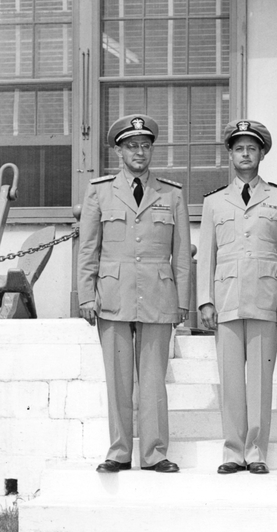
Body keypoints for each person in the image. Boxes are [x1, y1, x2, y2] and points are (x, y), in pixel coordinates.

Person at [77, 114, 191, 474]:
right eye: (131, 146)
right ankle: (119, 451)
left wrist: (183, 300)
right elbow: (88, 248)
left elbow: (182, 252)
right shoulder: (99, 190)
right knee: (118, 377)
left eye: (145, 145)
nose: (139, 152)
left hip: (158, 294)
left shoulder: (171, 193)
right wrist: (85, 295)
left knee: (154, 378)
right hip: (113, 294)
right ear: (119, 151)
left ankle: (155, 453)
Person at [196, 120, 277, 475]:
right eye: (239, 148)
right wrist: (204, 299)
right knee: (231, 380)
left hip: (266, 298)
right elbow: (206, 254)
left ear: (262, 154)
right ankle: (232, 451)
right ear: (230, 154)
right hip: (226, 298)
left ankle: (256, 451)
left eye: (252, 148)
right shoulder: (214, 202)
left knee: (260, 380)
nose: (245, 154)